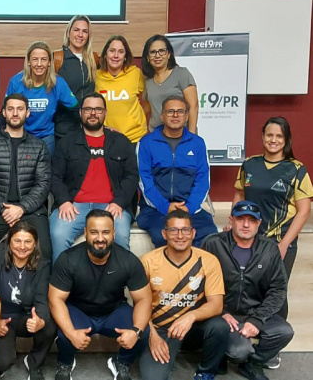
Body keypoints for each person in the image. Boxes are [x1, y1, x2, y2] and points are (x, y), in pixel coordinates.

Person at [48, 209, 151, 380]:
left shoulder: (128, 260)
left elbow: (143, 299)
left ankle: (121, 362)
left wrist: (135, 331)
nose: (100, 238)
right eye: (94, 232)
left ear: (114, 233)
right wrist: (72, 333)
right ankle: (65, 361)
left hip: (113, 311)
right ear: (86, 233)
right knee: (64, 331)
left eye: (105, 232)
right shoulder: (68, 259)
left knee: (143, 331)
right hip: (79, 310)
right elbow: (55, 299)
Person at [139, 210, 229, 380]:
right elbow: (140, 304)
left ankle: (205, 375)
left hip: (193, 327)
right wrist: (152, 335)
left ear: (193, 233)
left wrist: (190, 317)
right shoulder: (148, 261)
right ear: (164, 234)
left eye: (185, 230)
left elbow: (216, 305)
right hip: (161, 330)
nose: (180, 236)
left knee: (220, 326)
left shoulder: (208, 261)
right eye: (174, 230)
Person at [203, 201, 293, 380]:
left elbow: (278, 289)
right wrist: (219, 311)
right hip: (224, 313)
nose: (245, 225)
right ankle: (223, 353)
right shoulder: (213, 243)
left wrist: (258, 320)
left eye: (251, 220)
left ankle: (253, 364)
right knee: (238, 351)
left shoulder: (270, 249)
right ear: (231, 220)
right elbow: (198, 283)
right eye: (240, 219)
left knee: (285, 332)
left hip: (254, 310)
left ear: (259, 224)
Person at [232, 116, 312, 322]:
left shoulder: (296, 169)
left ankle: (274, 343)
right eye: (269, 135)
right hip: (251, 240)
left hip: (280, 241)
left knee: (276, 293)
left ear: (286, 140)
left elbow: (304, 210)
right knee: (249, 290)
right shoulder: (250, 164)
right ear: (262, 136)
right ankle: (248, 339)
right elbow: (240, 194)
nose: (273, 140)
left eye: (279, 136)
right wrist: (234, 222)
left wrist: (284, 244)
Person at [50, 92, 138, 262]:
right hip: (75, 206)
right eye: (88, 109)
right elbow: (55, 176)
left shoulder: (121, 142)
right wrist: (64, 201)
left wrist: (118, 202)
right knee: (59, 233)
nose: (93, 113)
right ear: (81, 112)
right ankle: (61, 286)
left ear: (105, 113)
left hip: (111, 206)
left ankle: (116, 285)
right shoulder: (66, 143)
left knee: (119, 236)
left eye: (98, 109)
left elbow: (131, 176)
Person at [0, 93, 52, 259]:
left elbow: (43, 184)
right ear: (3, 113)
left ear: (27, 113)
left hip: (30, 210)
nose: (15, 113)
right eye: (11, 109)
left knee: (45, 252)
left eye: (20, 109)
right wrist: (3, 209)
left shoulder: (39, 146)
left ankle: (39, 286)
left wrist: (22, 208)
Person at [137, 95, 216, 248]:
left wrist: (189, 207)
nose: (175, 115)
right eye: (170, 111)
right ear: (162, 115)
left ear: (186, 116)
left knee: (211, 237)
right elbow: (144, 181)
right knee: (165, 236)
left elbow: (202, 181)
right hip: (155, 210)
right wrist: (165, 206)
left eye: (180, 111)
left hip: (190, 208)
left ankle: (198, 272)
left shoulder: (197, 143)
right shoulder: (146, 143)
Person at [0, 221, 55, 380]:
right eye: (17, 241)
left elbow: (41, 298)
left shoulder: (42, 264)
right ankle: (0, 361)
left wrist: (40, 320)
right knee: (1, 364)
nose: (22, 246)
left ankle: (34, 363)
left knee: (49, 325)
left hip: (26, 316)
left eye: (28, 241)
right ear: (9, 241)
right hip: (2, 318)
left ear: (35, 244)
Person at [0, 41, 77, 155]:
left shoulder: (58, 83)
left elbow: (77, 108)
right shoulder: (16, 82)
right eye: (35, 59)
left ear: (49, 62)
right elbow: (5, 111)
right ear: (29, 62)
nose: (39, 64)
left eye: (44, 59)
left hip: (46, 137)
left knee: (44, 172)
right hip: (20, 135)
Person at [95, 35, 151, 143]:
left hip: (135, 137)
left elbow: (148, 103)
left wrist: (133, 121)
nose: (116, 55)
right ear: (105, 55)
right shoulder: (96, 76)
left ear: (125, 56)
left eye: (120, 52)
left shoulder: (135, 73)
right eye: (112, 51)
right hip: (107, 137)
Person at [53, 15, 99, 141]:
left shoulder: (94, 59)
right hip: (63, 130)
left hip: (89, 128)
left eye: (85, 31)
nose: (80, 35)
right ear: (68, 33)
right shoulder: (57, 58)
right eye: (76, 30)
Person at [141, 34, 199, 133]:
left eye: (162, 51)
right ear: (147, 57)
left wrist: (191, 136)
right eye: (153, 52)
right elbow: (148, 107)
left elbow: (193, 105)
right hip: (156, 136)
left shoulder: (182, 73)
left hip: (181, 135)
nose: (157, 55)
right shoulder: (148, 81)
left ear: (169, 54)